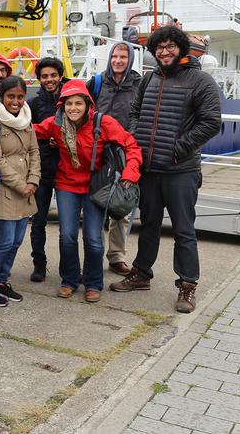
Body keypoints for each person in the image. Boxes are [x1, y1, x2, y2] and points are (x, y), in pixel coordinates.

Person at [111, 26, 221, 313]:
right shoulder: (149, 79)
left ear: (181, 48)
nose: (164, 51)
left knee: (184, 230)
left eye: (170, 46)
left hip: (180, 170)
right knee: (148, 225)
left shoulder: (200, 81)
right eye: (159, 47)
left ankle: (187, 285)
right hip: (149, 169)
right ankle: (142, 273)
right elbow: (135, 113)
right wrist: (135, 141)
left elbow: (211, 122)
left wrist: (178, 148)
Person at [33, 81, 142, 303]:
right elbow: (30, 130)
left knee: (93, 238)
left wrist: (131, 172)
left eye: (78, 103)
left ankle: (93, 283)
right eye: (69, 103)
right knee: (68, 236)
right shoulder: (56, 124)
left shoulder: (103, 123)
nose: (73, 108)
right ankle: (69, 280)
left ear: (87, 104)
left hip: (95, 187)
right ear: (62, 105)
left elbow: (131, 145)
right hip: (66, 185)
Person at [0, 77, 40, 307]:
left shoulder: (27, 120)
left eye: (20, 96)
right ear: (2, 97)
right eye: (11, 96)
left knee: (16, 242)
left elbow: (34, 151)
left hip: (26, 190)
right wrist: (20, 184)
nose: (15, 101)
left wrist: (33, 180)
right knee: (3, 241)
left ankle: (2, 281)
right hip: (6, 190)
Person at [87, 42, 143, 277]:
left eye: (123, 57)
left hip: (124, 150)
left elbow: (141, 114)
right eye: (114, 57)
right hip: (99, 151)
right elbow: (84, 110)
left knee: (122, 205)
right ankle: (94, 254)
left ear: (130, 59)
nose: (118, 61)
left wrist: (131, 139)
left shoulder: (139, 85)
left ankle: (117, 256)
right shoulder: (98, 83)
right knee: (96, 202)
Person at [28, 58, 70, 282]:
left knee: (68, 224)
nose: (49, 80)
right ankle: (39, 263)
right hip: (43, 170)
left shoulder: (70, 100)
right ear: (39, 79)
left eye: (53, 75)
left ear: (60, 76)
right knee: (39, 221)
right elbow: (30, 135)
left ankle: (68, 268)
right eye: (44, 76)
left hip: (65, 170)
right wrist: (48, 142)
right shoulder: (34, 105)